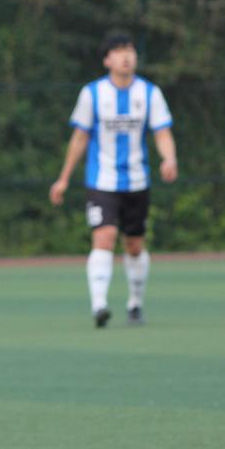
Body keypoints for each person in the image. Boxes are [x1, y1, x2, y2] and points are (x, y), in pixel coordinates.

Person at [48, 30, 178, 328]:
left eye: (130, 50)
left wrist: (169, 158)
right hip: (102, 181)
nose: (126, 56)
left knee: (134, 245)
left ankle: (135, 304)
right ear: (107, 60)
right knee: (104, 236)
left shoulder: (149, 93)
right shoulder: (92, 94)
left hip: (137, 181)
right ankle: (99, 305)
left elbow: (162, 133)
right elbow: (80, 138)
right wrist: (63, 179)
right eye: (118, 51)